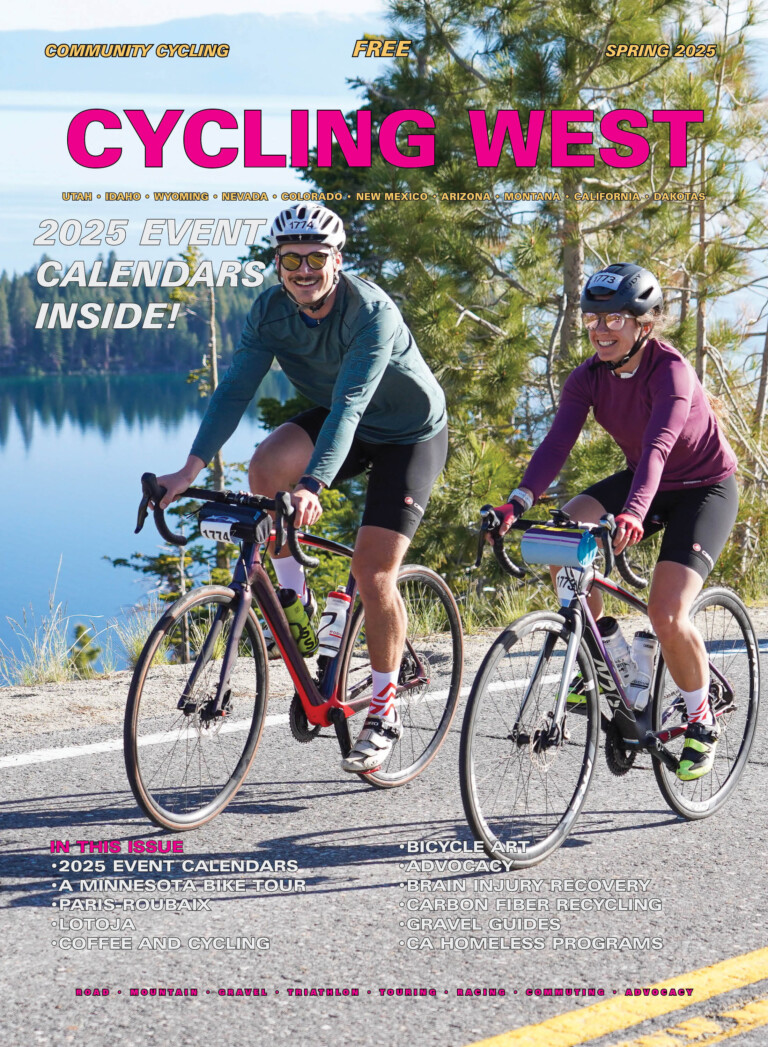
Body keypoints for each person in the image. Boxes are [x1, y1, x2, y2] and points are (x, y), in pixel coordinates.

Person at [155, 204, 448, 773]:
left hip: (408, 433)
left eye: (317, 257)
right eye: (293, 259)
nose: (305, 269)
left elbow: (349, 406)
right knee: (264, 469)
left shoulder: (371, 312)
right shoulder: (270, 311)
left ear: (337, 259)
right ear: (278, 263)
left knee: (374, 574)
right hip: (346, 421)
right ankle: (299, 600)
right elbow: (234, 391)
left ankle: (384, 712)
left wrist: (314, 483)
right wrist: (188, 471)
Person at [492, 262, 738, 781]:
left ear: (643, 325)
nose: (600, 330)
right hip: (641, 482)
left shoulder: (671, 372)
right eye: (592, 319)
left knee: (667, 612)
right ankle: (612, 654)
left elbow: (657, 448)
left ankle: (700, 717)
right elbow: (557, 444)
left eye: (614, 320)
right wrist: (517, 502)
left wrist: (634, 512)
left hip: (702, 489)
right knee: (560, 538)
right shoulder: (588, 378)